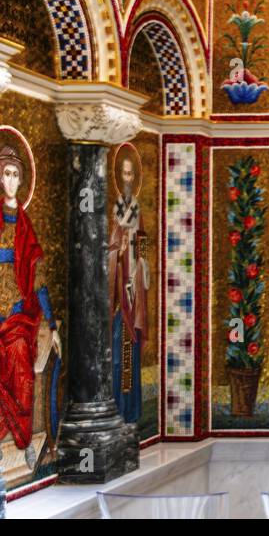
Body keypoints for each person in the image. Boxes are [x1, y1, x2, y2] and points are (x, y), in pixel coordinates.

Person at [0, 146, 60, 471]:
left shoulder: (26, 229)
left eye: (16, 174)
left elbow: (39, 281)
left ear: (22, 181)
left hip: (19, 318)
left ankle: (23, 443)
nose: (11, 180)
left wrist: (53, 323)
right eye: (6, 173)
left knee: (19, 358)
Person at [108, 150, 149, 424]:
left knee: (130, 352)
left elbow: (144, 247)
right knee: (119, 350)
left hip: (134, 291)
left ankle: (131, 410)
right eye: (123, 173)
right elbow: (110, 250)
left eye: (130, 173)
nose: (127, 178)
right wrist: (120, 252)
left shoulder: (138, 211)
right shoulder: (115, 213)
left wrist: (141, 268)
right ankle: (118, 408)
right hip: (119, 291)